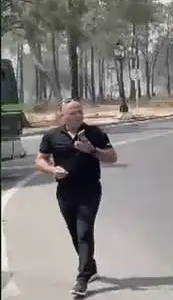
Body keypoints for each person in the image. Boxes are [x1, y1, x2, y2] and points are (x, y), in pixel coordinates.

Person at [35, 99, 118, 298]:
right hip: (65, 191)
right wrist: (52, 169)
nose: (78, 116)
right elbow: (40, 159)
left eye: (80, 112)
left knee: (84, 232)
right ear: (62, 115)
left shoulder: (94, 133)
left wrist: (92, 150)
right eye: (73, 113)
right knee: (74, 233)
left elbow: (113, 156)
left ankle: (82, 279)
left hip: (89, 190)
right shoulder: (52, 136)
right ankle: (90, 266)